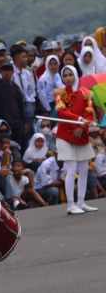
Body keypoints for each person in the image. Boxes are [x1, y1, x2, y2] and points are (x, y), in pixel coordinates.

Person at [55, 65, 99, 215]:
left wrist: (83, 126)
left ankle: (81, 202)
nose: (67, 78)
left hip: (81, 135)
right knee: (71, 169)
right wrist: (79, 120)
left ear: (75, 75)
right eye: (65, 75)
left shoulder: (86, 93)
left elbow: (89, 114)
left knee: (84, 169)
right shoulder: (60, 94)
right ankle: (70, 204)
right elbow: (62, 113)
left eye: (70, 74)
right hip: (65, 136)